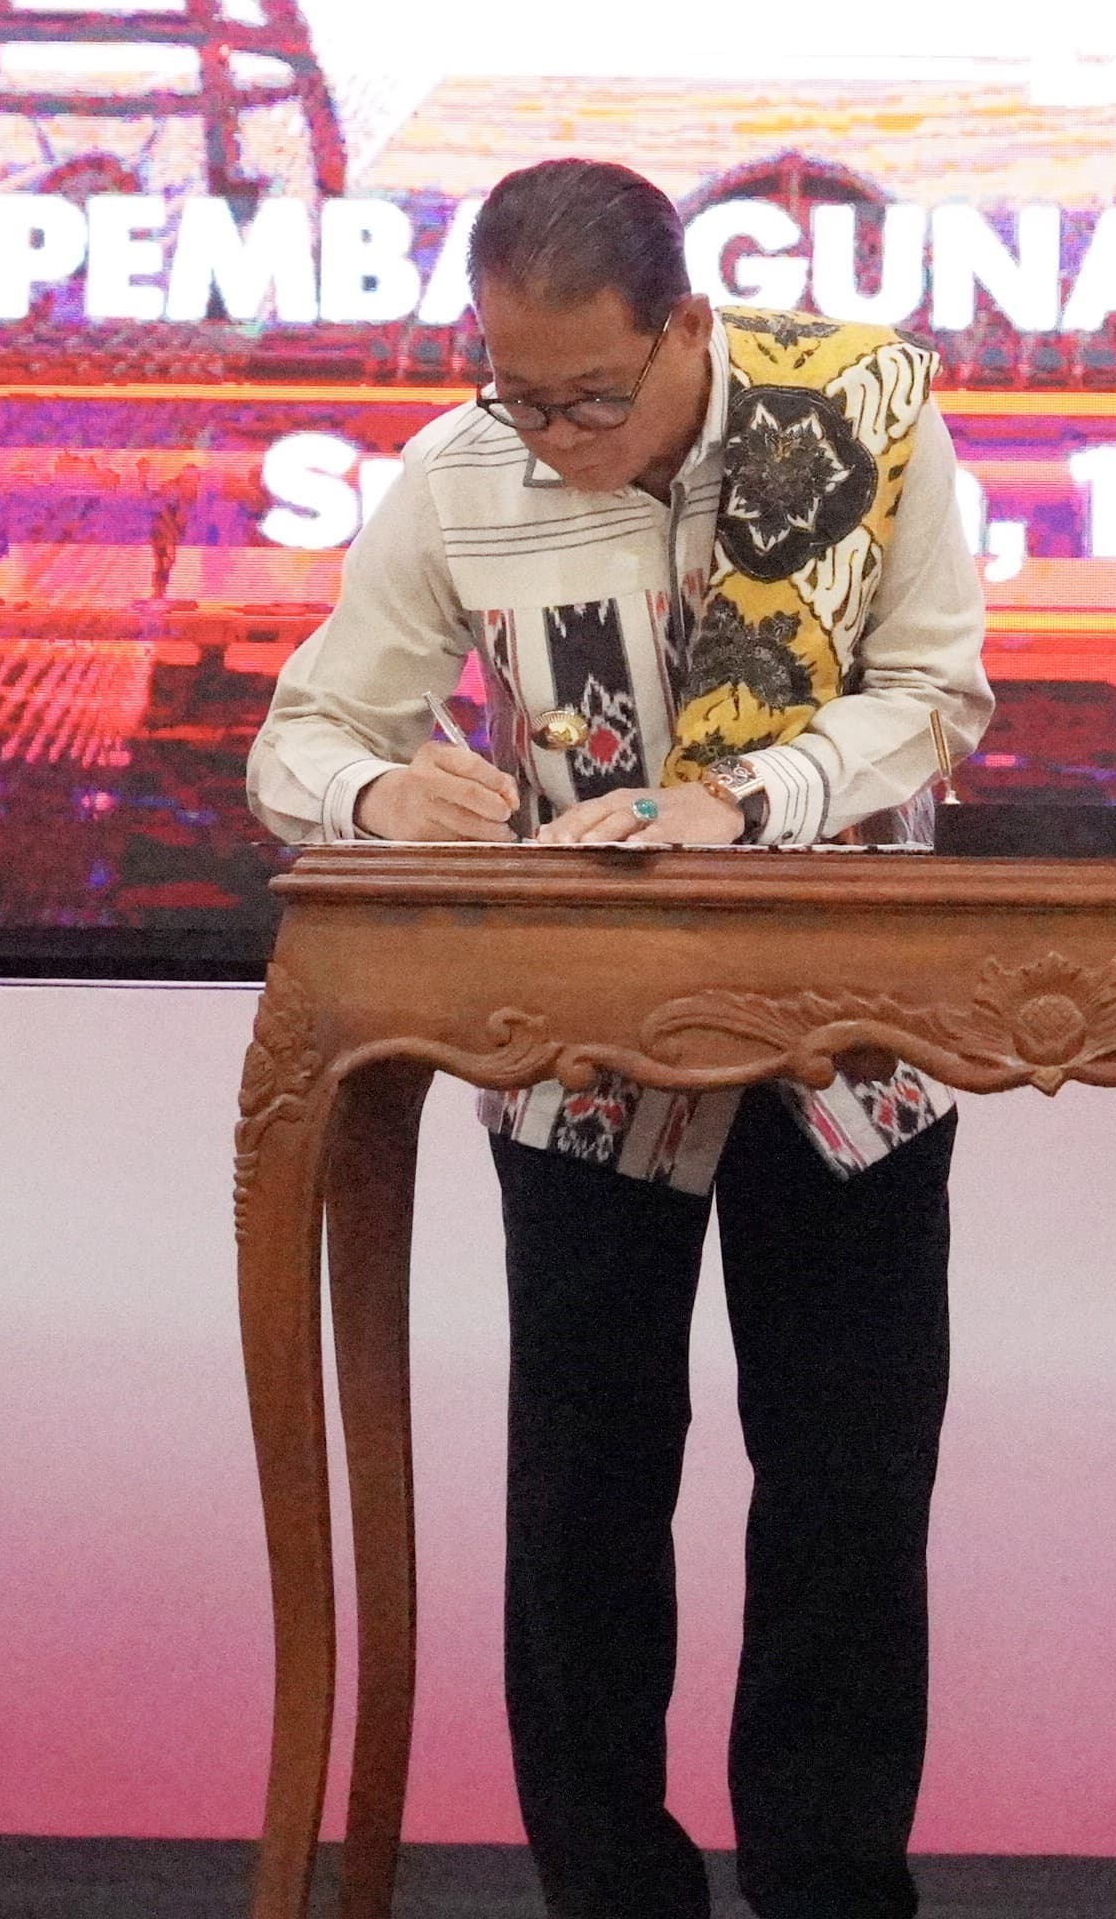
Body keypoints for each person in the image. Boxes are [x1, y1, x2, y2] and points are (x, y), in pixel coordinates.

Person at [246, 158, 992, 1919]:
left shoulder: (864, 420)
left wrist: (744, 799)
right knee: (583, 1508)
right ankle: (608, 1891)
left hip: (847, 1045)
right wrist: (382, 793)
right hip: (576, 1058)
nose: (559, 437)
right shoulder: (461, 473)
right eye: (520, 393)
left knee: (846, 1502)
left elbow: (935, 696)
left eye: (594, 397)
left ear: (689, 330)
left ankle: (830, 1891)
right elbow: (299, 739)